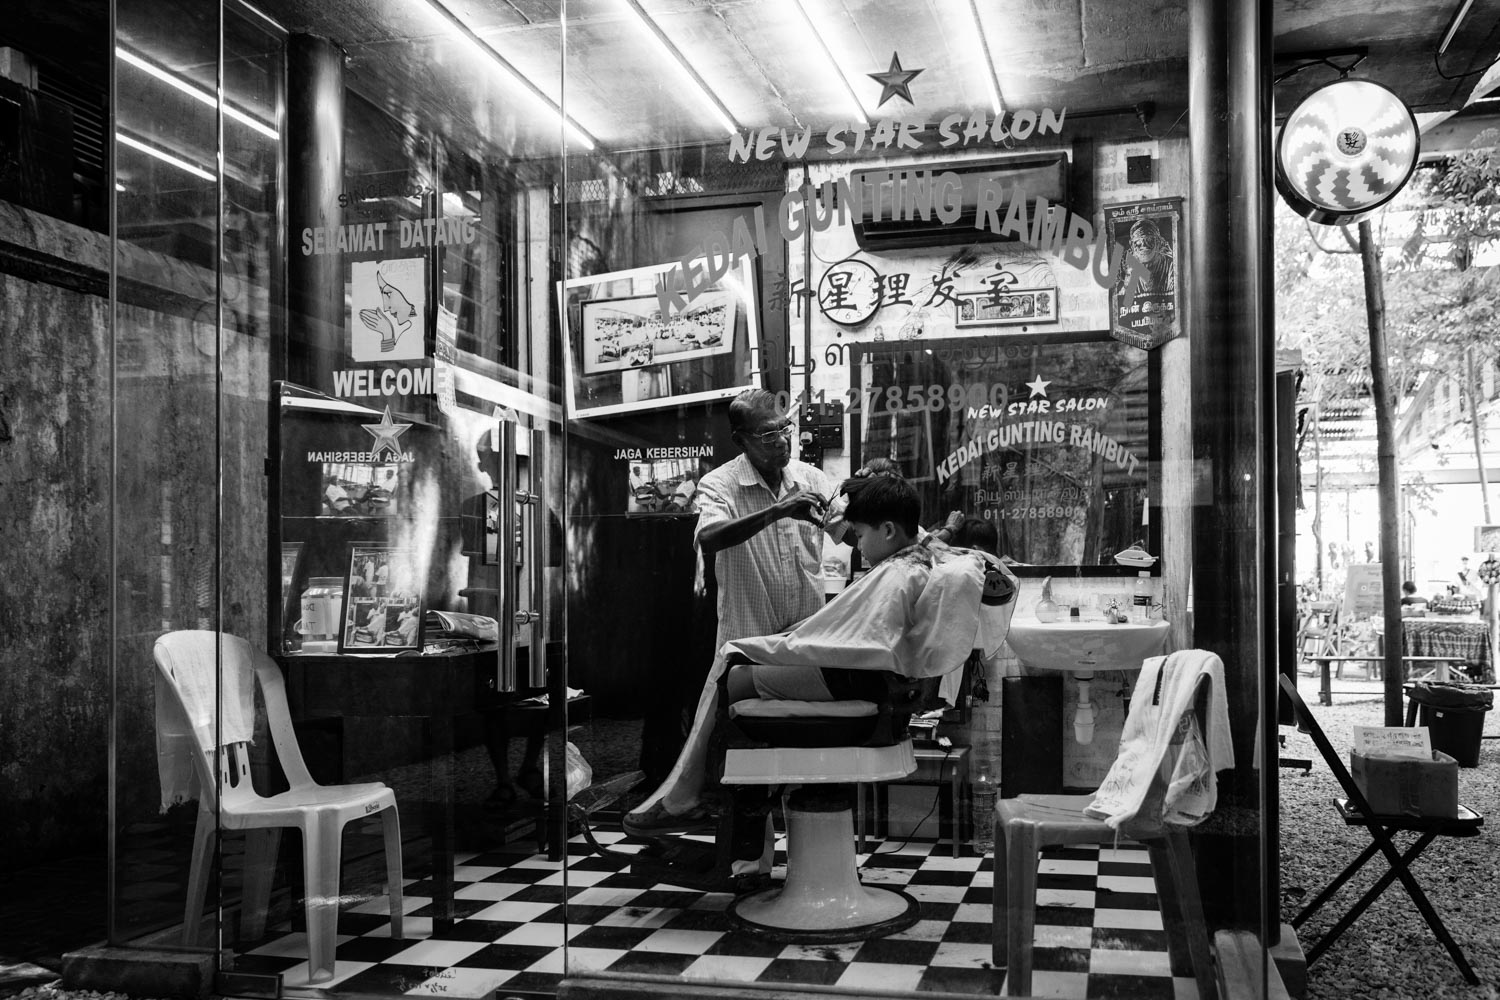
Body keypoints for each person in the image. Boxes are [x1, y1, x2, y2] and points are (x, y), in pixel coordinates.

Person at [623, 476, 1003, 855]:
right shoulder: (917, 562)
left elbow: (856, 645)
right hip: (872, 682)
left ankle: (698, 794)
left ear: (887, 530)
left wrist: (783, 645)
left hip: (852, 680)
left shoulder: (898, 573)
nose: (859, 545)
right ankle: (722, 807)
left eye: (859, 533)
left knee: (731, 674)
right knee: (743, 666)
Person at [693, 388, 841, 653]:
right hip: (748, 642)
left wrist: (869, 496)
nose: (783, 441)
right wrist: (777, 511)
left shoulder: (812, 478)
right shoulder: (719, 484)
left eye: (785, 429)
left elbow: (849, 531)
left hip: (805, 638)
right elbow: (707, 538)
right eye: (768, 435)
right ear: (741, 441)